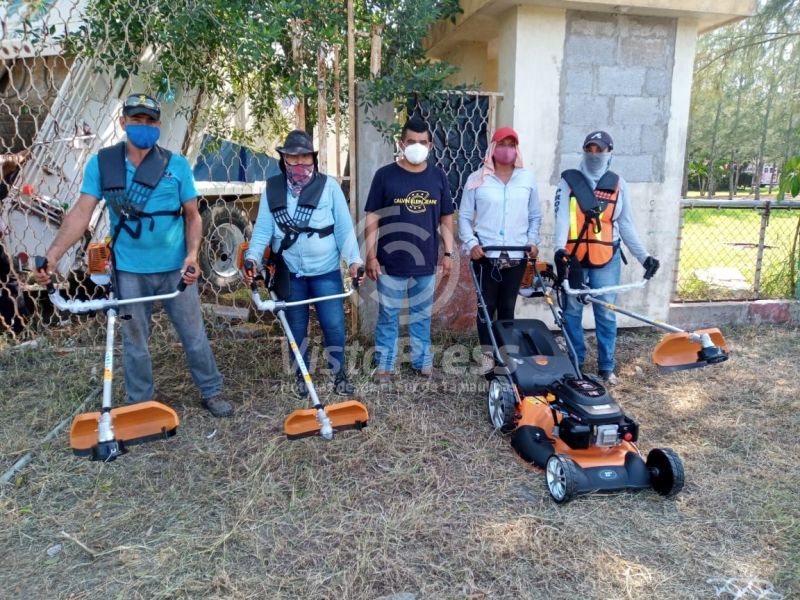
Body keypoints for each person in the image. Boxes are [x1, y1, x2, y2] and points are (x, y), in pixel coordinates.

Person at [35, 93, 233, 417]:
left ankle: (211, 391)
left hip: (176, 270)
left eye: (150, 121)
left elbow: (193, 216)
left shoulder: (176, 165)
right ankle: (140, 405)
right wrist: (54, 254)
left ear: (158, 125)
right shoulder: (103, 164)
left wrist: (193, 255)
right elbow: (82, 212)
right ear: (123, 122)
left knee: (194, 334)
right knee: (134, 340)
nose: (144, 126)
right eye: (137, 120)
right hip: (128, 271)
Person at [244, 130, 363, 397]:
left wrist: (355, 262)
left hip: (326, 271)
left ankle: (339, 375)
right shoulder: (273, 189)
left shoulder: (329, 187)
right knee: (296, 327)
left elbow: (344, 230)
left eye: (305, 157)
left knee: (334, 325)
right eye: (293, 158)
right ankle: (301, 376)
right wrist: (252, 258)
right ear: (284, 160)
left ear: (313, 159)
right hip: (289, 273)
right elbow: (262, 230)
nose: (299, 164)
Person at [554, 130, 660, 385]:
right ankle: (575, 361)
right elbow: (561, 218)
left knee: (606, 312)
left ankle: (606, 366)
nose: (594, 155)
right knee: (572, 312)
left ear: (609, 153)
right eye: (589, 150)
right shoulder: (569, 181)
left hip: (606, 258)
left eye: (599, 150)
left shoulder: (618, 184)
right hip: (574, 257)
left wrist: (644, 257)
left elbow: (626, 225)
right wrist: (559, 250)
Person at [364, 116, 455, 387]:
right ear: (401, 144)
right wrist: (371, 255)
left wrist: (448, 253)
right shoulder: (384, 176)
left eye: (422, 142)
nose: (417, 146)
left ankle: (422, 363)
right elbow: (372, 217)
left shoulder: (438, 177)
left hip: (426, 261)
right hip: (390, 262)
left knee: (421, 315)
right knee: (388, 316)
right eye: (411, 141)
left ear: (430, 146)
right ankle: (384, 367)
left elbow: (446, 217)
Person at [458, 126, 541, 374]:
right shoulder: (477, 179)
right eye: (501, 144)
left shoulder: (527, 179)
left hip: (516, 256)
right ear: (493, 149)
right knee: (485, 308)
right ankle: (487, 359)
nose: (506, 149)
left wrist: (532, 241)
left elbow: (535, 216)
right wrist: (472, 244)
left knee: (507, 308)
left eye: (511, 144)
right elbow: (464, 217)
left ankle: (505, 357)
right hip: (486, 257)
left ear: (517, 149)